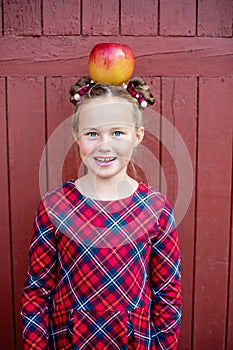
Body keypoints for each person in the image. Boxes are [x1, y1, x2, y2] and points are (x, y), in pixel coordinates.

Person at [21, 75, 182, 349]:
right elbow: (37, 291)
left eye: (117, 132)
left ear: (137, 136)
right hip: (70, 341)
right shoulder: (55, 206)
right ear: (77, 137)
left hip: (133, 341)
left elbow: (168, 294)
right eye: (92, 133)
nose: (104, 145)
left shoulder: (156, 209)